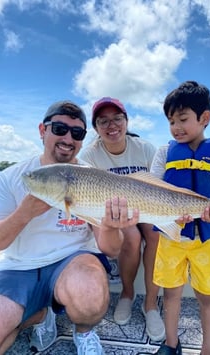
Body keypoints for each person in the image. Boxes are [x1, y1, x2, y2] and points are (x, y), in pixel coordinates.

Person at [0, 100, 140, 355]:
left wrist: (110, 226)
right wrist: (24, 214)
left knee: (90, 299)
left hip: (73, 260)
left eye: (77, 133)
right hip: (19, 268)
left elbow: (110, 249)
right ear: (43, 130)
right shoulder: (12, 177)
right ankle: (40, 316)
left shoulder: (91, 177)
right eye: (60, 129)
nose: (68, 138)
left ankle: (83, 331)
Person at [150, 81, 210, 355]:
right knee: (171, 294)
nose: (176, 127)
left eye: (183, 119)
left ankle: (209, 349)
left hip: (208, 241)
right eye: (171, 121)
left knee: (207, 297)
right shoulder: (164, 153)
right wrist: (171, 216)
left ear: (205, 118)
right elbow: (151, 194)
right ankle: (171, 344)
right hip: (171, 237)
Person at [80, 97, 165, 341]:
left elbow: (161, 187)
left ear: (126, 122)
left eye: (117, 118)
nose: (111, 125)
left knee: (155, 234)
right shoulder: (90, 155)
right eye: (103, 121)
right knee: (131, 237)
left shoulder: (145, 149)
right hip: (112, 211)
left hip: (146, 205)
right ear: (96, 129)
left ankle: (150, 304)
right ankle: (127, 294)